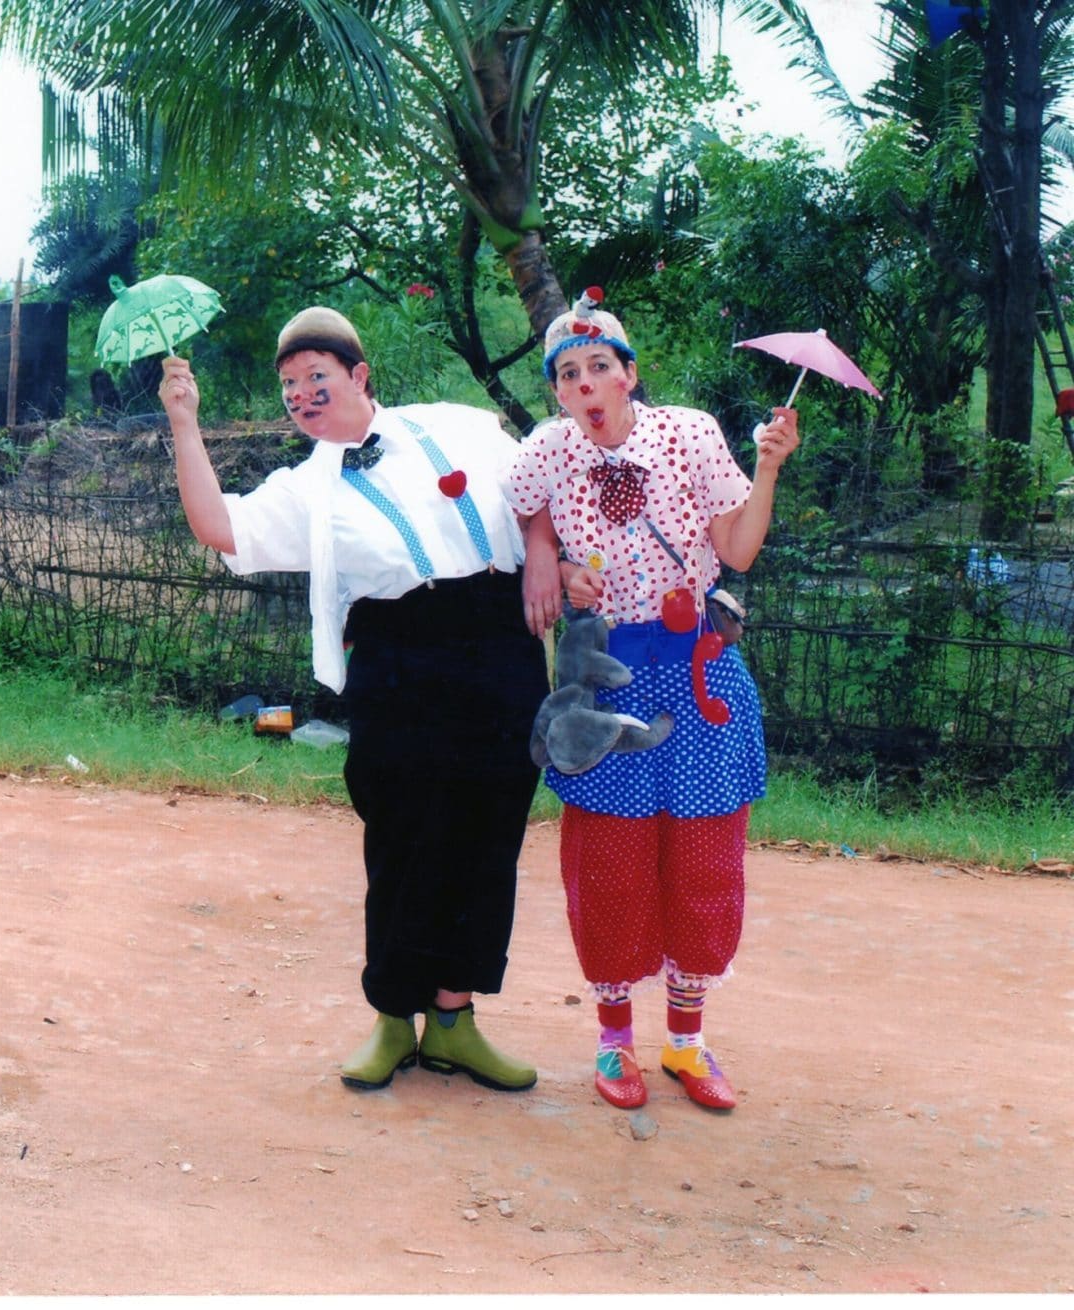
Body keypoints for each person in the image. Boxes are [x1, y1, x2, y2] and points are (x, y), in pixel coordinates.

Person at [160, 307, 550, 1094]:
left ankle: (455, 1021)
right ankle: (393, 1018)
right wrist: (184, 422)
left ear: (360, 375)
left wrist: (544, 557)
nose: (301, 394)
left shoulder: (460, 426)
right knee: (402, 838)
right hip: (398, 660)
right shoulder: (307, 487)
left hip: (499, 644)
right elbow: (218, 527)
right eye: (289, 384)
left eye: (317, 376)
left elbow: (537, 492)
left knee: (487, 835)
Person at [507, 289, 800, 1113]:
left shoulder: (689, 434)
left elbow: (737, 548)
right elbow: (517, 513)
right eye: (568, 374)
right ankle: (613, 1041)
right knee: (608, 863)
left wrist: (769, 467)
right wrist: (551, 561)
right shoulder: (548, 451)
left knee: (705, 861)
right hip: (606, 677)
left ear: (629, 375)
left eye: (599, 366)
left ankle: (685, 1042)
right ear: (557, 393)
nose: (585, 383)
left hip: (699, 675)